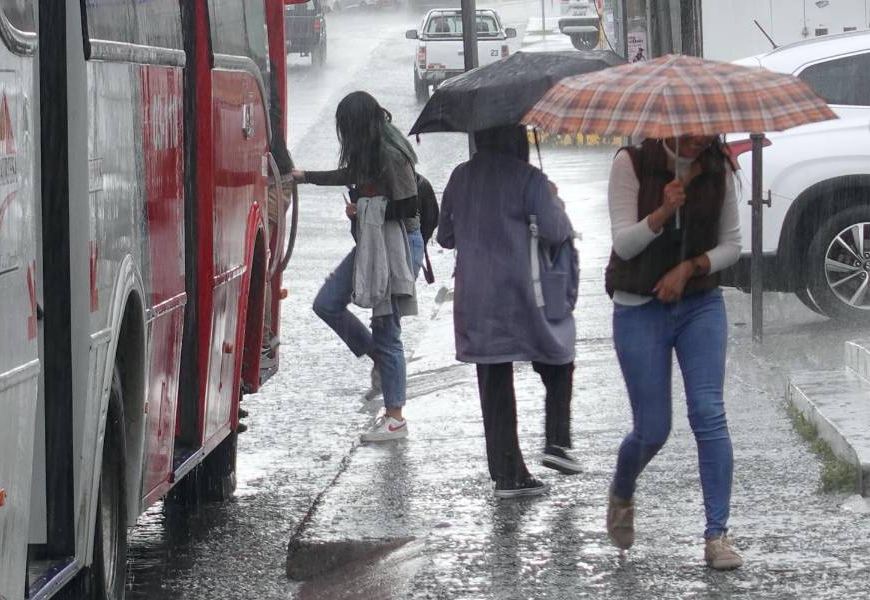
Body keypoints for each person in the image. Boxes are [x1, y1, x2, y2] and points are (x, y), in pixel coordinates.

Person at [603, 135, 742, 570]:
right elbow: (623, 244)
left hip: (700, 304)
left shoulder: (719, 168)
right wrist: (662, 211)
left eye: (708, 127)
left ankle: (717, 535)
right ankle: (622, 490)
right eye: (693, 127)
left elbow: (732, 245)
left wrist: (690, 267)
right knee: (652, 429)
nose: (701, 136)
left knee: (708, 412)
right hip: (638, 307)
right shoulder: (631, 163)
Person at [436, 125, 580, 499]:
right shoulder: (529, 178)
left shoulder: (460, 176)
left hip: (476, 295)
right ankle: (557, 440)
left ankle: (507, 475)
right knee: (557, 358)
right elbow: (555, 231)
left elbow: (445, 236)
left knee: (494, 380)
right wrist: (553, 199)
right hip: (523, 293)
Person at [292, 91, 423, 443]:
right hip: (374, 244)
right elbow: (351, 174)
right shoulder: (371, 148)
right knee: (327, 303)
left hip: (398, 246)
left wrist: (363, 208)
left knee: (387, 328)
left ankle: (395, 418)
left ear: (358, 125)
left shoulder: (391, 152)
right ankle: (378, 357)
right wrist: (304, 176)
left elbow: (408, 207)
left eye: (346, 127)